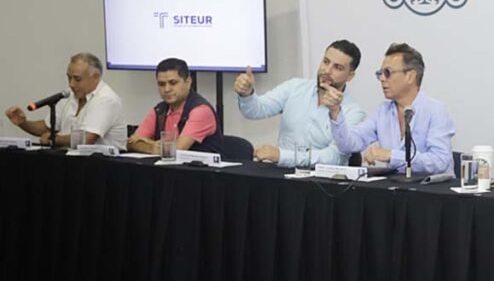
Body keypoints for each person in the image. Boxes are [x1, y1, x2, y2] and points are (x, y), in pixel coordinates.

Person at [328, 43, 454, 176]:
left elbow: (440, 161)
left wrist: (391, 155)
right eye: (380, 74)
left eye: (388, 73)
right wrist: (335, 112)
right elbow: (349, 145)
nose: (382, 79)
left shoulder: (435, 110)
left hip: (432, 192)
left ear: (410, 76)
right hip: (398, 189)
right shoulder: (383, 111)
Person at [235, 41, 366, 167]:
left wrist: (282, 156)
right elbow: (256, 110)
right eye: (326, 62)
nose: (327, 70)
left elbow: (333, 158)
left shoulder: (353, 113)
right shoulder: (295, 87)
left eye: (337, 67)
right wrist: (246, 94)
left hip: (323, 184)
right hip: (282, 176)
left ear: (350, 76)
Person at [4, 52, 127, 150]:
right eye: (69, 77)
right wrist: (23, 122)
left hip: (104, 168)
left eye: (77, 79)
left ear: (95, 77)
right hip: (72, 162)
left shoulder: (106, 99)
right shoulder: (69, 95)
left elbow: (87, 139)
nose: (71, 84)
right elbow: (47, 128)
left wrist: (54, 139)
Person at [127, 57, 221, 154]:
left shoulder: (201, 110)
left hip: (199, 168)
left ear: (188, 82)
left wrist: (147, 143)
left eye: (173, 83)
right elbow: (130, 143)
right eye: (161, 84)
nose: (167, 89)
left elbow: (176, 151)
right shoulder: (159, 110)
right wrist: (151, 147)